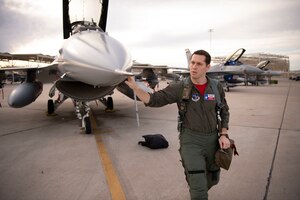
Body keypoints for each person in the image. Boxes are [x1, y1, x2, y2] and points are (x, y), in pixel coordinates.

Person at [125, 49, 230, 200]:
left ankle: (199, 184)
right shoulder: (180, 87)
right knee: (198, 187)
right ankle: (196, 187)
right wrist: (136, 87)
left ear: (207, 67)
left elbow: (224, 110)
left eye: (199, 64)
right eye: (192, 63)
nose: (193, 67)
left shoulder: (216, 87)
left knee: (213, 179)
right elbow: (154, 100)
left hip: (212, 139)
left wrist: (224, 134)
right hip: (190, 140)